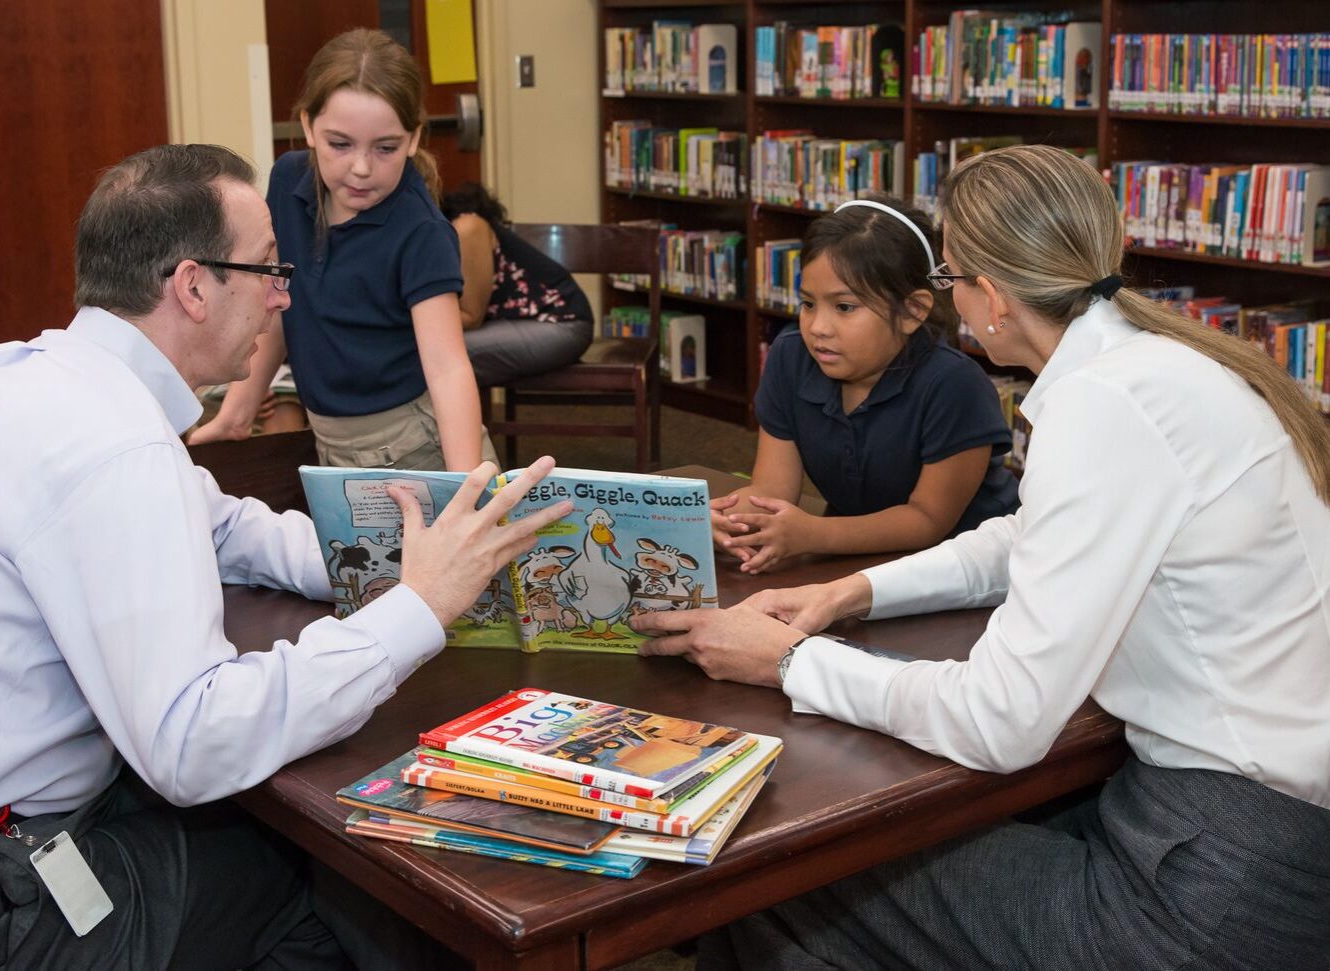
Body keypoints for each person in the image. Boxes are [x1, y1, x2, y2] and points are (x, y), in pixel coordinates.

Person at [634, 143, 1330, 969]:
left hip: (1213, 876)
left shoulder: (1105, 404)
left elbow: (1000, 721)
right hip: (1240, 830)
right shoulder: (1156, 364)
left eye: (955, 277)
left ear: (992, 298)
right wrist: (847, 594)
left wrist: (791, 661)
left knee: (770, 868)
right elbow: (1023, 535)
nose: (952, 302)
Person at [0, 143, 572, 968]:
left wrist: (393, 557)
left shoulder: (41, 377)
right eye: (269, 268)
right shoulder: (114, 447)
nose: (284, 294)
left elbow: (224, 525)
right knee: (333, 882)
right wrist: (412, 610)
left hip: (9, 821)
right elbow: (191, 741)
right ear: (193, 286)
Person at [189, 28, 495, 473]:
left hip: (416, 445)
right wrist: (237, 413)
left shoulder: (421, 230)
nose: (361, 168)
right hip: (330, 440)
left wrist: (466, 488)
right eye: (340, 144)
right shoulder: (288, 180)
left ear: (413, 139)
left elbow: (448, 369)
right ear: (309, 126)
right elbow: (278, 306)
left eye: (386, 148)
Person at [712, 196, 1018, 574]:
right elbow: (772, 492)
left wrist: (813, 534)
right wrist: (726, 522)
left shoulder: (955, 385)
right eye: (808, 304)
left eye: (844, 307)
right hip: (853, 558)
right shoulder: (789, 358)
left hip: (968, 572)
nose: (817, 327)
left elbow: (927, 520)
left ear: (912, 311)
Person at [438, 182, 594, 387]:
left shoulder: (468, 226)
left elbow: (471, 317)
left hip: (561, 324)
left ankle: (443, 419)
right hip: (522, 323)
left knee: (436, 352)